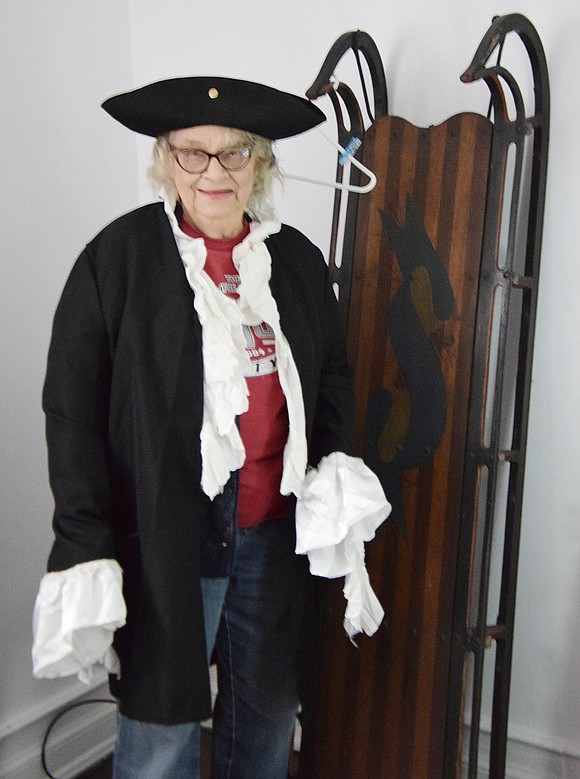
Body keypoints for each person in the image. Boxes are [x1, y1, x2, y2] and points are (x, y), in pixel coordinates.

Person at [32, 76, 389, 779]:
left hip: (271, 533)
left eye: (233, 154)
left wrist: (331, 469)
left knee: (263, 720)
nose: (213, 172)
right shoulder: (119, 260)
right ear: (165, 159)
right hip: (168, 536)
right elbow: (71, 411)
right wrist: (85, 536)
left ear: (260, 163)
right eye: (192, 154)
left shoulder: (296, 263)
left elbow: (330, 377)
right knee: (161, 725)